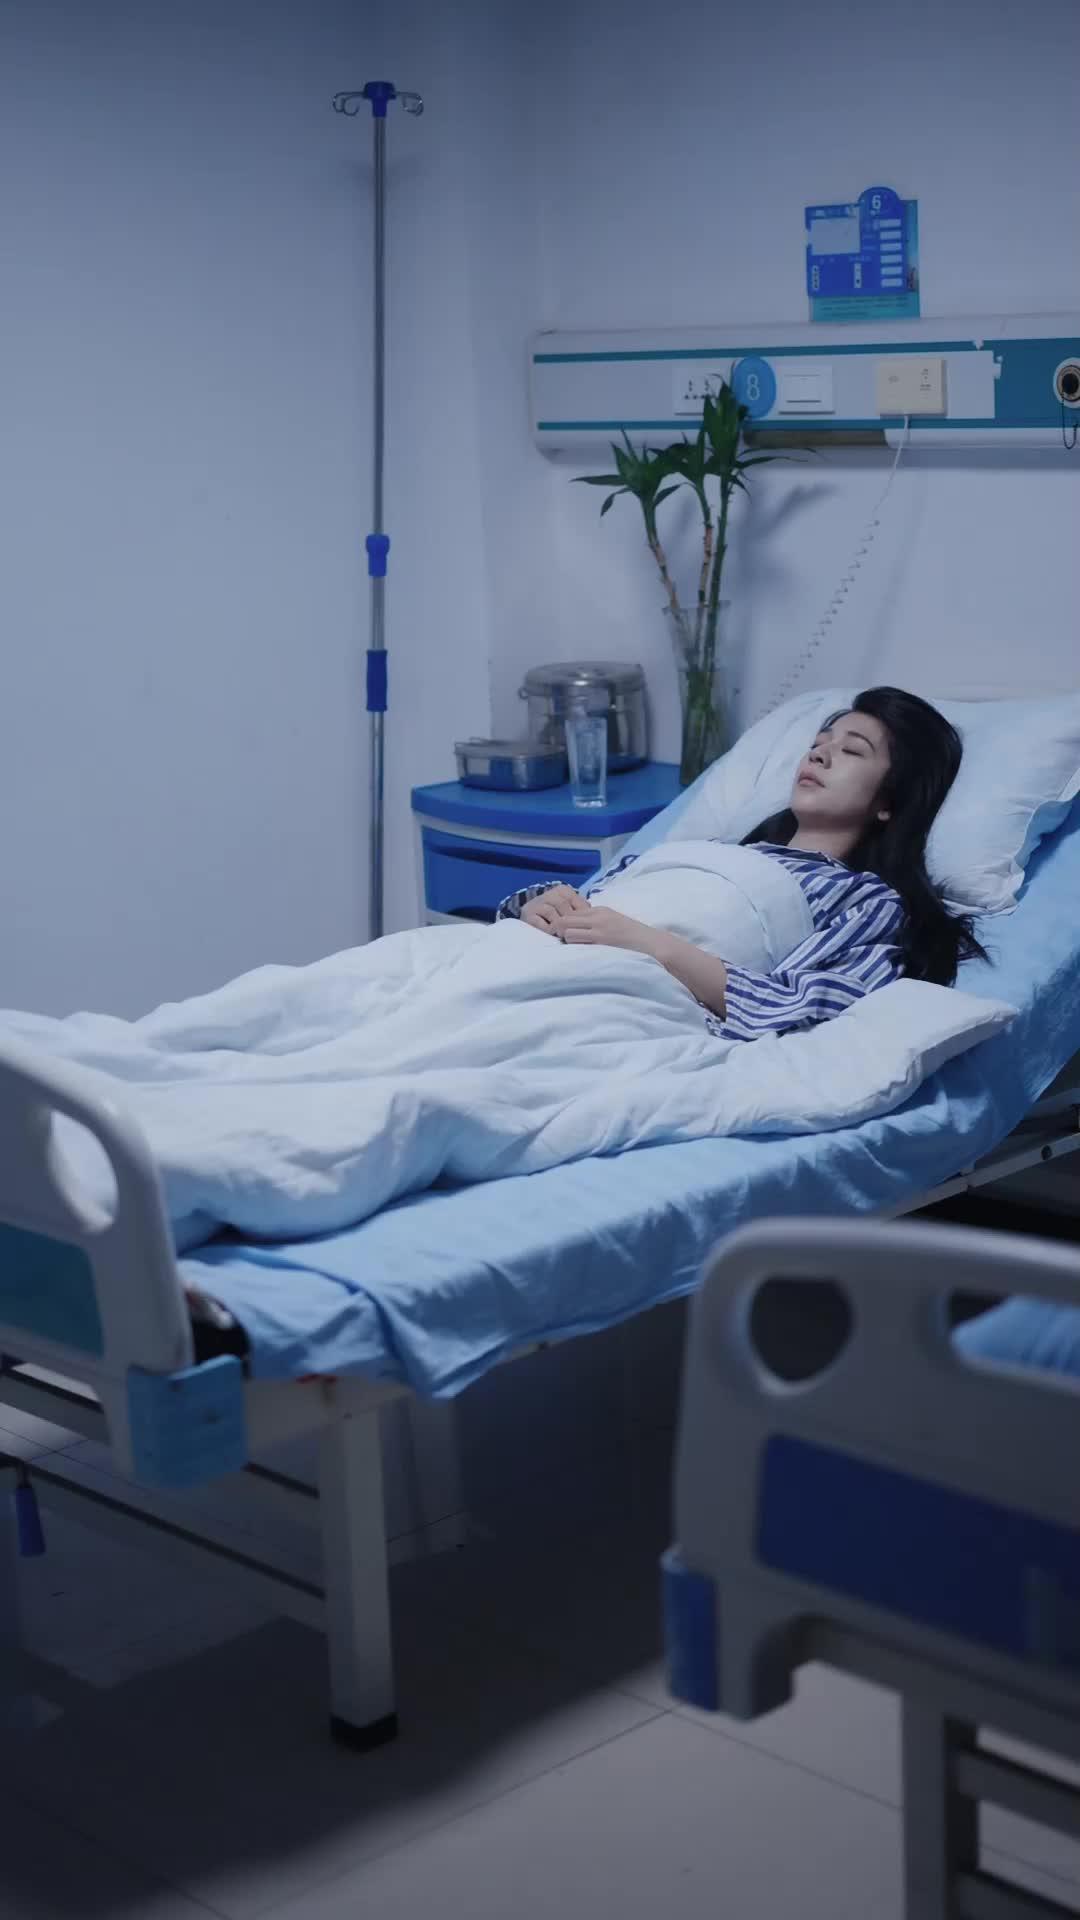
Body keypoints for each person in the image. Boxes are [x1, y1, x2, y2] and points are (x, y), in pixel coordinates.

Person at [496, 686, 987, 1041]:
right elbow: (600, 904)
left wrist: (647, 943)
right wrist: (540, 907)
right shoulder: (709, 852)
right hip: (535, 957)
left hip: (614, 998)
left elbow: (804, 1010)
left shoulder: (863, 900)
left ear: (890, 801)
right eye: (819, 744)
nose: (818, 755)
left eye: (852, 751)